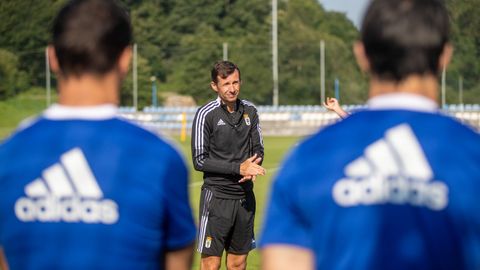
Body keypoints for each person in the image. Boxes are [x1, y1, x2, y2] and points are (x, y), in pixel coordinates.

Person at [260, 0, 480, 269]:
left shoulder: (307, 159)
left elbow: (285, 261)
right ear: (445, 56)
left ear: (362, 55)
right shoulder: (471, 154)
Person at [0, 0, 196, 269]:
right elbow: (178, 261)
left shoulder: (8, 154)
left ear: (52, 58)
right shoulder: (161, 157)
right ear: (125, 59)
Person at [191, 61, 266, 270]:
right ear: (215, 86)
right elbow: (199, 160)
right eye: (226, 84)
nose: (232, 88)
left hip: (244, 199)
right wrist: (238, 168)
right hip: (216, 199)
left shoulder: (250, 111)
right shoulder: (205, 114)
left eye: (235, 82)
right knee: (211, 264)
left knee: (238, 263)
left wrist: (254, 165)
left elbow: (258, 148)